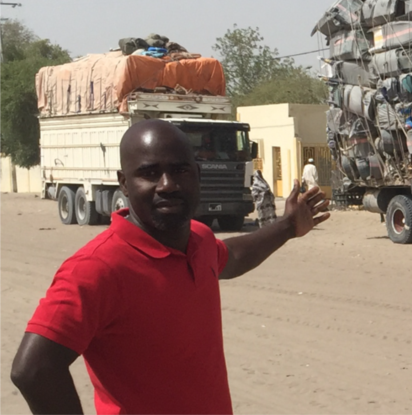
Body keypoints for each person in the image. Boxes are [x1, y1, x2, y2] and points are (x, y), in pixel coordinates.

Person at [10, 119, 330, 415]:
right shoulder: (97, 267)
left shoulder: (199, 240)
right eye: (150, 173)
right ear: (124, 183)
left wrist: (288, 227)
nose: (168, 184)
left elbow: (231, 257)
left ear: (197, 174)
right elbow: (34, 369)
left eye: (180, 170)